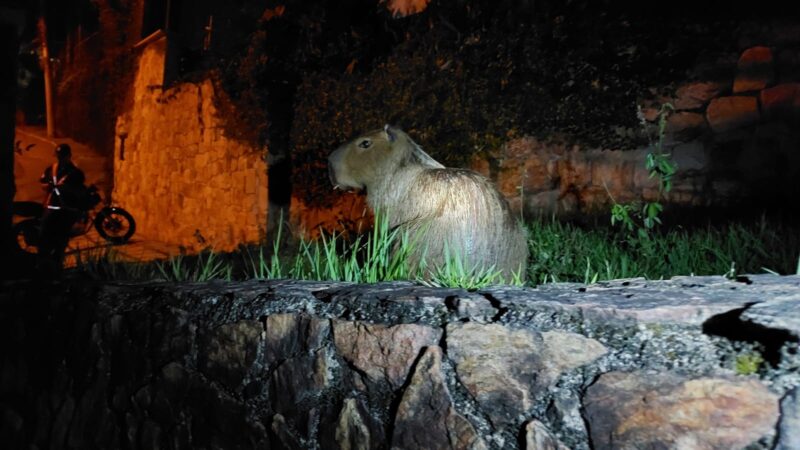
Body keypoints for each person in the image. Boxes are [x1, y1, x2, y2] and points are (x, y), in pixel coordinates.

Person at [38, 143, 86, 273]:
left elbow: (80, 191)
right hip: (51, 208)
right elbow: (42, 182)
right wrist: (47, 186)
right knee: (44, 236)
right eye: (59, 156)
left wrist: (68, 190)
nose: (60, 159)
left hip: (66, 211)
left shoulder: (76, 173)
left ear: (69, 156)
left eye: (63, 156)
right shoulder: (51, 169)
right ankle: (45, 266)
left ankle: (57, 266)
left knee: (60, 239)